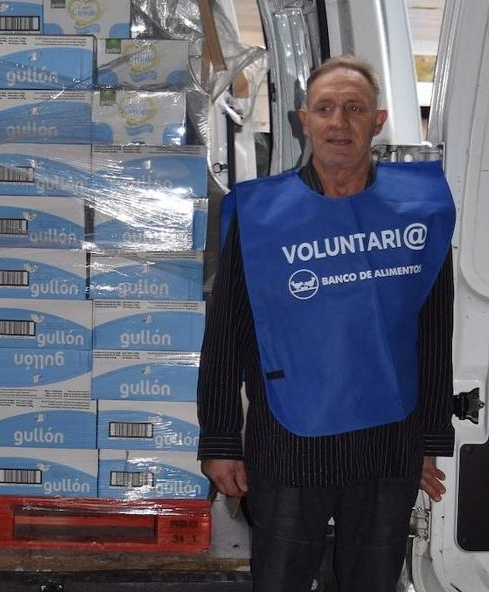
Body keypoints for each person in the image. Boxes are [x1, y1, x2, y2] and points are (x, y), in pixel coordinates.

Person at [197, 55, 456, 592]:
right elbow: (226, 337)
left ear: (377, 121)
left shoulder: (418, 213)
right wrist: (220, 439)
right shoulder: (263, 217)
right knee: (281, 580)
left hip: (388, 442)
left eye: (355, 109)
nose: (340, 122)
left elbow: (433, 334)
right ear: (303, 120)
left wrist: (430, 439)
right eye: (326, 109)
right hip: (290, 443)